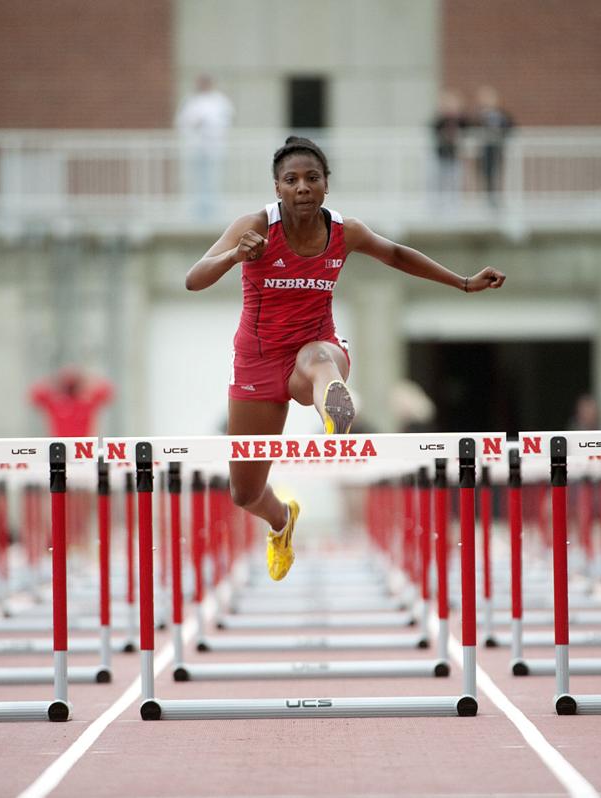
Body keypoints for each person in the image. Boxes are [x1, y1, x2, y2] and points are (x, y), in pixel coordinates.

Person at [185, 136, 506, 581]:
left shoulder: (345, 231)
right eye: (291, 180)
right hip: (257, 362)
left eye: (311, 178)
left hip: (317, 351)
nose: (302, 187)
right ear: (277, 188)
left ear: (326, 186)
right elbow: (193, 279)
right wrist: (235, 256)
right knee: (245, 493)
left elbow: (395, 254)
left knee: (318, 360)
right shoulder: (255, 225)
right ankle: (282, 521)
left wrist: (464, 282)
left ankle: (333, 409)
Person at [176, 74, 234, 220]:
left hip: (214, 147)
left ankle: (212, 210)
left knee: (213, 179)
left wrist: (208, 124)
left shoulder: (219, 100)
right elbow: (182, 122)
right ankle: (198, 210)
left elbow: (225, 121)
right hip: (196, 147)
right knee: (197, 180)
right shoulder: (191, 101)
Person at [29, 366, 114, 436]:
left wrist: (87, 379)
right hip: (60, 448)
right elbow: (35, 395)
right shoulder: (56, 404)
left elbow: (107, 391)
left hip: (82, 448)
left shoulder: (86, 403)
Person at [472, 85, 513, 197]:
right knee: (484, 174)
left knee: (496, 173)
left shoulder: (501, 115)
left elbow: (510, 126)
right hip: (484, 150)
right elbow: (472, 127)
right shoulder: (478, 115)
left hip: (496, 149)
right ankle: (485, 197)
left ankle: (496, 197)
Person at [431, 89, 468, 201]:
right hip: (441, 155)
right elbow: (433, 127)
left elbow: (467, 124)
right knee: (439, 181)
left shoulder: (460, 120)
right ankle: (438, 203)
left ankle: (454, 203)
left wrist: (458, 113)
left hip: (454, 155)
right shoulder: (440, 120)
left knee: (454, 182)